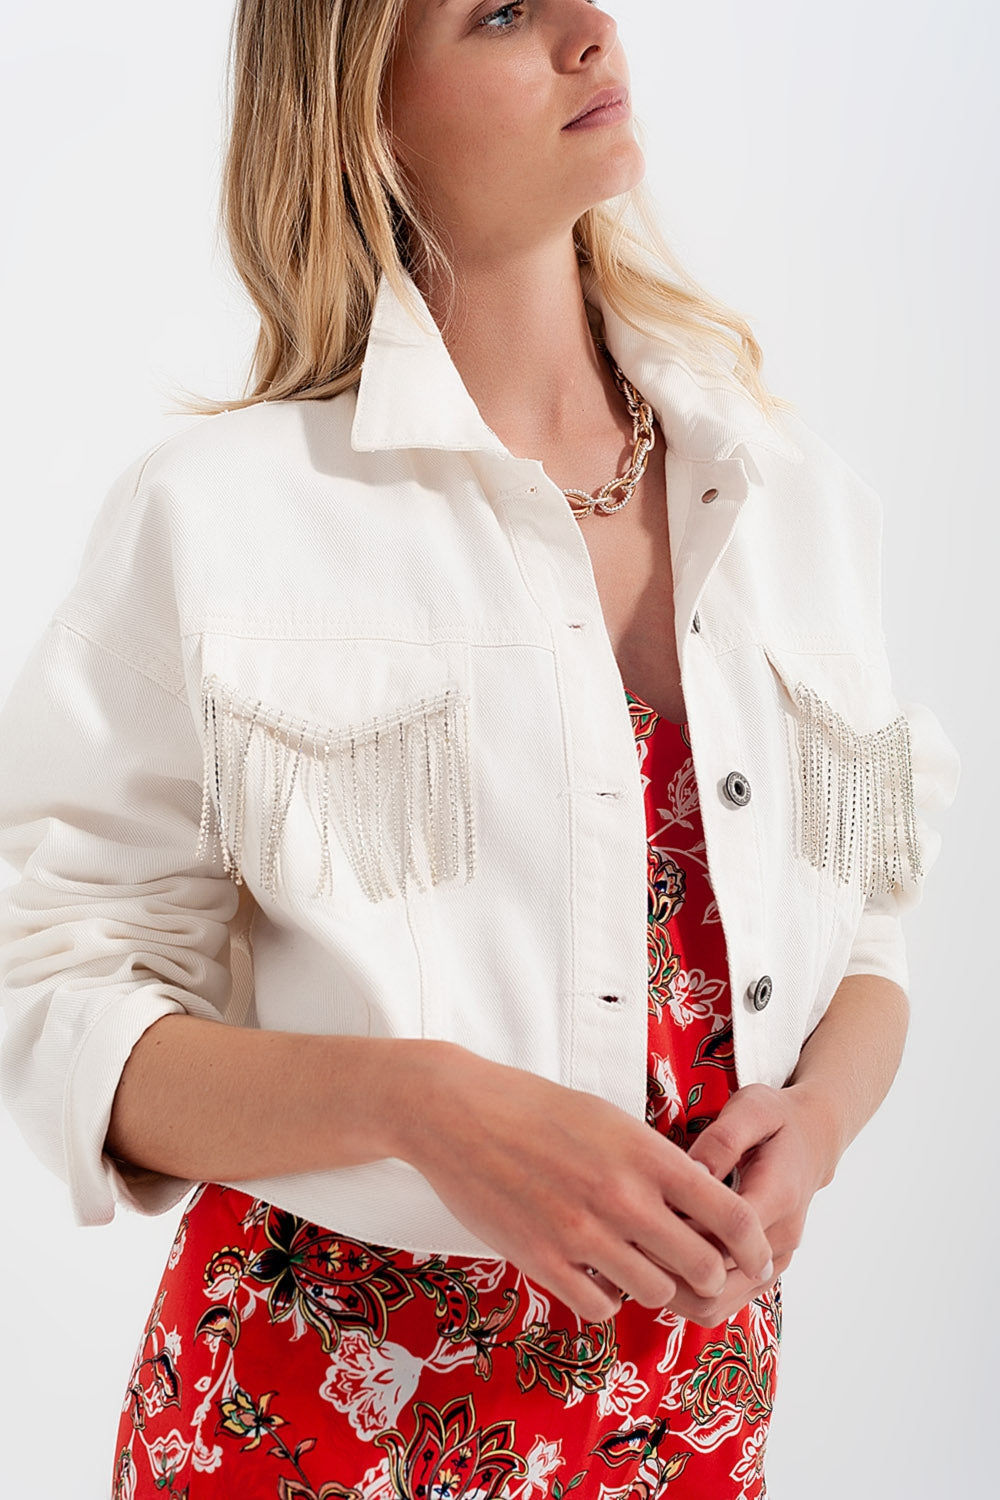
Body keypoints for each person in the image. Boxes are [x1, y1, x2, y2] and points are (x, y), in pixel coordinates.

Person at [0, 2, 961, 1497]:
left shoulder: (793, 500)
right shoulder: (224, 518)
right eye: (501, 12)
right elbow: (59, 995)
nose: (590, 31)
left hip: (686, 1428)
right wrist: (421, 1106)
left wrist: (818, 1120)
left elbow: (874, 936)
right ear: (361, 108)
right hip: (311, 1423)